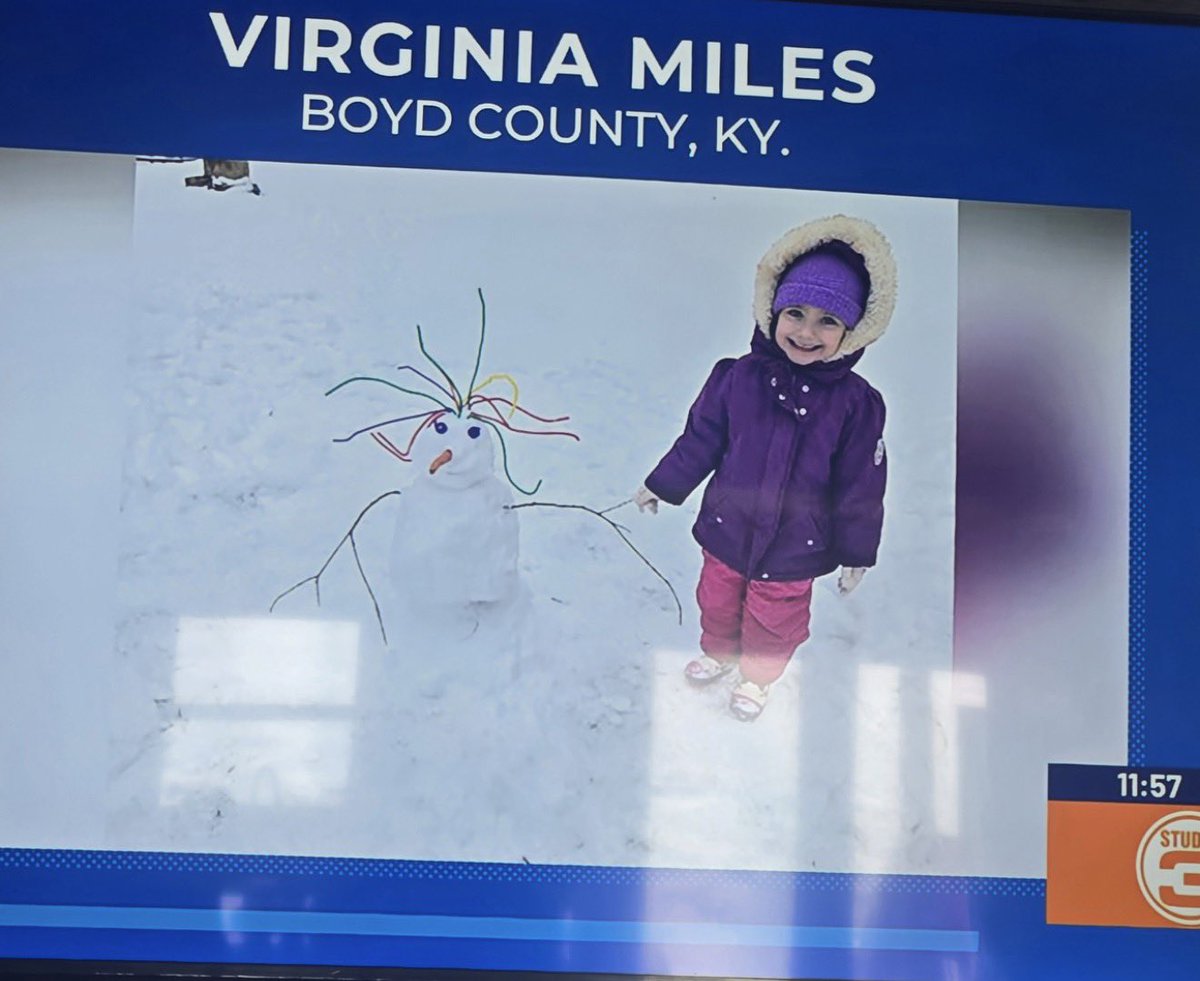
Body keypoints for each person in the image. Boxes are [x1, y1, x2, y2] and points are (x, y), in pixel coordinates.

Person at [635, 214, 897, 721]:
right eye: (795, 312)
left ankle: (757, 677)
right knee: (716, 599)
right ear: (771, 311)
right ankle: (720, 654)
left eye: (828, 321)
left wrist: (856, 551)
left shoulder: (856, 404)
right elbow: (701, 439)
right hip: (726, 529)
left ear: (853, 331)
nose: (806, 331)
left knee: (774, 620)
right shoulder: (737, 378)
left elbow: (860, 485)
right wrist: (662, 483)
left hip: (796, 545)